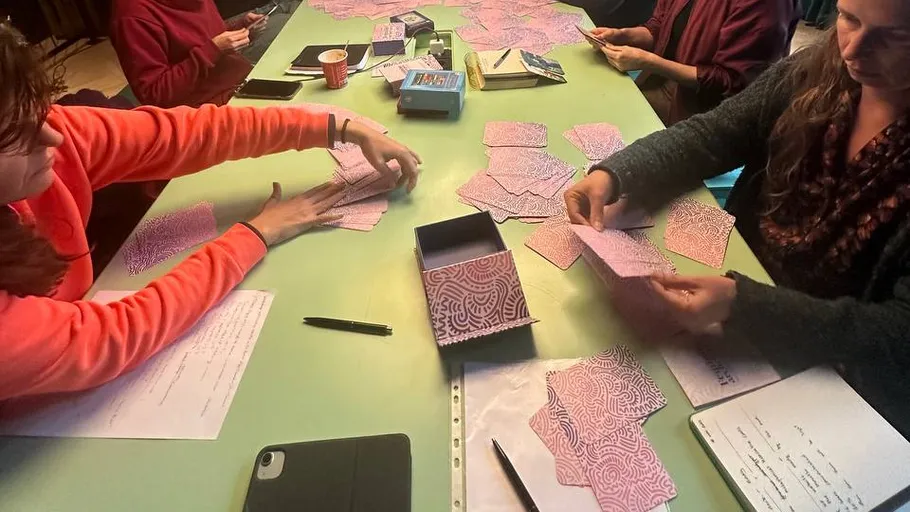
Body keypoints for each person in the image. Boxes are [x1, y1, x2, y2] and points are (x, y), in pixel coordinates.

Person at [0, 23, 421, 400]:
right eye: (17, 133)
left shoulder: (53, 136)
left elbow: (192, 134)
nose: (53, 136)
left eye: (40, 112)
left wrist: (338, 128)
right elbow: (109, 336)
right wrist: (255, 235)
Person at [565, 0, 910, 435]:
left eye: (896, 35)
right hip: (737, 281)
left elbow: (897, 333)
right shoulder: (816, 69)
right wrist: (615, 174)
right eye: (848, 17)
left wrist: (744, 306)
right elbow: (716, 133)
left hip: (838, 375)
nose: (854, 50)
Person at [588, 0, 799, 125]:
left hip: (707, 117)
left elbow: (733, 82)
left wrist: (650, 62)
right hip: (662, 85)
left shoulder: (767, 5)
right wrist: (623, 35)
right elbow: (659, 27)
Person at [110, 0, 268, 108]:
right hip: (208, 108)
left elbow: (200, 39)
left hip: (242, 81)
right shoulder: (133, 16)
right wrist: (213, 50)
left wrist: (241, 28)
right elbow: (155, 94)